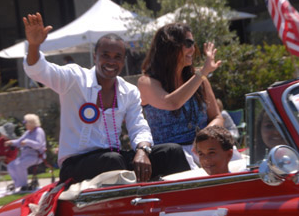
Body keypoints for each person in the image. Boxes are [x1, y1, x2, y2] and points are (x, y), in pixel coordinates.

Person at [22, 12, 190, 184]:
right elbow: (39, 71)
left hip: (112, 157)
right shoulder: (74, 78)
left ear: (123, 61)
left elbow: (139, 127)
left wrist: (142, 150)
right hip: (76, 165)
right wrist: (34, 46)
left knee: (171, 151)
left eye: (117, 57)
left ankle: (185, 205)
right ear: (95, 57)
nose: (111, 62)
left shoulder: (129, 91)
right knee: (112, 161)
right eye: (105, 55)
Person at [138, 22, 223, 169]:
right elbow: (171, 103)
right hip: (172, 158)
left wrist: (204, 137)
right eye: (188, 43)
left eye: (193, 43)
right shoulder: (146, 82)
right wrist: (203, 72)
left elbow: (217, 117)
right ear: (170, 47)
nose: (193, 48)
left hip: (203, 151)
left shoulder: (200, 80)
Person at [5, 114, 46, 190]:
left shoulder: (39, 131)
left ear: (31, 123)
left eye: (25, 122)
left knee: (20, 165)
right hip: (26, 156)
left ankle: (24, 185)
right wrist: (11, 142)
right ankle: (18, 183)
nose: (25, 124)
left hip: (36, 156)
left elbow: (38, 144)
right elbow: (19, 141)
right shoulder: (28, 132)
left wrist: (27, 142)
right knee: (11, 165)